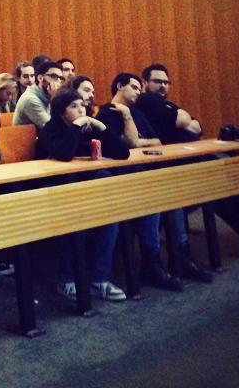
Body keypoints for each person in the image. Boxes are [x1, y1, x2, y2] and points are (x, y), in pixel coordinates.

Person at [95, 72, 185, 292]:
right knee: (152, 193)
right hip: (120, 177)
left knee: (174, 194)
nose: (138, 92)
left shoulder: (138, 113)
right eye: (134, 87)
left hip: (142, 172)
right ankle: (151, 264)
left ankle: (181, 255)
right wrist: (127, 118)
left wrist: (138, 139)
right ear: (119, 86)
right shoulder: (106, 113)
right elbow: (129, 144)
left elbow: (157, 141)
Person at [36, 88, 128, 302]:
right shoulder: (50, 130)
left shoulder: (90, 128)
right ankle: (66, 279)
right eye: (74, 106)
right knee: (77, 220)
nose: (81, 110)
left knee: (110, 221)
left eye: (83, 106)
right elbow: (64, 154)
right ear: (61, 112)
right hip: (56, 193)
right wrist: (76, 127)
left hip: (86, 191)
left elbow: (122, 153)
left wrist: (102, 128)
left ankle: (99, 280)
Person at [136, 64, 212, 282]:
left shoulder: (166, 104)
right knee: (171, 195)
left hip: (177, 166)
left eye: (166, 82)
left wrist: (183, 121)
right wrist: (182, 122)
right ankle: (177, 258)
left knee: (219, 169)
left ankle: (181, 257)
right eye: (157, 81)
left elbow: (197, 126)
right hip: (157, 169)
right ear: (145, 83)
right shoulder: (146, 100)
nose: (163, 86)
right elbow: (184, 121)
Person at [13, 60, 64, 127]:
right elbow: (54, 128)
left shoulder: (47, 96)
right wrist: (55, 98)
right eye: (54, 76)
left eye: (61, 78)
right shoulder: (30, 100)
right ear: (40, 78)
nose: (58, 81)